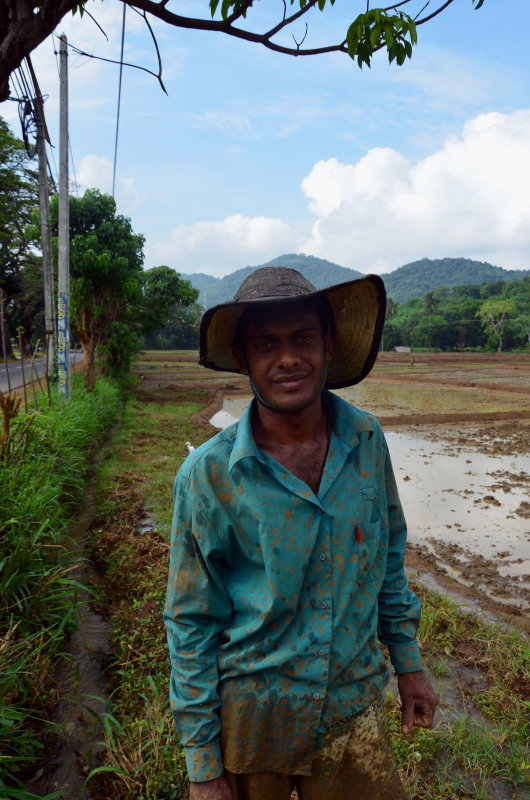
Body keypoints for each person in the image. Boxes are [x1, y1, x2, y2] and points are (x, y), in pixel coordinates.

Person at [164, 267, 438, 800]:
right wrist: (203, 766)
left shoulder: (366, 441)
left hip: (350, 708)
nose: (287, 358)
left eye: (302, 338)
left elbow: (387, 561)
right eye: (266, 344)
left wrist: (409, 665)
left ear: (328, 345)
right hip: (253, 718)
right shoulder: (208, 477)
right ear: (244, 359)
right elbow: (190, 620)